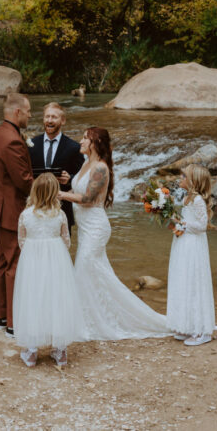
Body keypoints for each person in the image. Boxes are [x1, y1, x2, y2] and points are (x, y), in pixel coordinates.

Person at [60, 126, 170, 340]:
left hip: (96, 227)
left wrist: (61, 194)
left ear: (95, 144)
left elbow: (88, 199)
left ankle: (94, 323)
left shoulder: (100, 168)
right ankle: (91, 317)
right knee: (93, 273)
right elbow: (78, 191)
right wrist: (66, 186)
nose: (80, 141)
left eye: (85, 138)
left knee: (84, 269)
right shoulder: (86, 164)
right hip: (85, 228)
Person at [12, 173, 87, 367]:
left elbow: (21, 241)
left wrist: (33, 253)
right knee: (57, 300)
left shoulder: (25, 215)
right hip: (56, 261)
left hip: (32, 262)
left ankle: (31, 352)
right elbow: (67, 241)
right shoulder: (60, 215)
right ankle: (60, 351)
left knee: (33, 299)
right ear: (55, 193)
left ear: (34, 191)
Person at [0, 91, 34, 335]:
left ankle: (1, 317)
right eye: (27, 111)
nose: (30, 115)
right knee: (14, 263)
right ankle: (14, 323)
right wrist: (48, 186)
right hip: (12, 209)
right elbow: (23, 180)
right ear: (17, 112)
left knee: (2, 262)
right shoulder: (12, 140)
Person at [166, 164, 216, 346]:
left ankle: (201, 330)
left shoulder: (197, 201)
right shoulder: (187, 198)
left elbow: (202, 226)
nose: (180, 179)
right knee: (183, 280)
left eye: (184, 176)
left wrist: (183, 223)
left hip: (194, 245)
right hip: (183, 243)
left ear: (193, 182)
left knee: (194, 281)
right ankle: (186, 325)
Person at [28, 102, 84, 231]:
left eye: (54, 117)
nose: (49, 120)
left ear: (63, 120)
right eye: (47, 117)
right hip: (35, 208)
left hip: (62, 209)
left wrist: (70, 178)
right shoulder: (32, 144)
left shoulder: (74, 148)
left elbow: (83, 177)